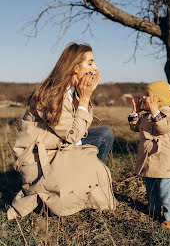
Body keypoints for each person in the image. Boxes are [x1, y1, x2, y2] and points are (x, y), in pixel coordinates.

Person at [7, 42, 116, 220]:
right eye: (90, 63)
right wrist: (85, 100)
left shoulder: (74, 92)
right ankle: (64, 189)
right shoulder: (50, 94)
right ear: (75, 68)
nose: (95, 68)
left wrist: (84, 99)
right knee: (102, 137)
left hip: (61, 148)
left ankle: (83, 185)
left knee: (104, 135)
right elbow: (73, 136)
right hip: (41, 160)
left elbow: (81, 130)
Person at [128, 81, 170, 229]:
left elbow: (163, 127)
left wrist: (154, 112)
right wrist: (135, 112)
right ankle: (153, 210)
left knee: (166, 189)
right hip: (150, 160)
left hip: (164, 161)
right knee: (151, 188)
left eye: (148, 96)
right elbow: (135, 127)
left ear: (158, 101)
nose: (143, 97)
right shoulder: (146, 116)